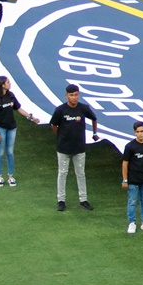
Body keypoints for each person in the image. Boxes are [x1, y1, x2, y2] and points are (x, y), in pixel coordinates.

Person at [50, 83, 98, 212]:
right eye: (71, 95)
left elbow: (94, 118)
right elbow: (54, 125)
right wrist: (60, 136)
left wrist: (95, 133)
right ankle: (61, 200)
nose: (74, 97)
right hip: (63, 148)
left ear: (79, 95)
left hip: (79, 147)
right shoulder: (60, 110)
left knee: (81, 174)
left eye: (76, 95)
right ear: (66, 96)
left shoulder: (83, 108)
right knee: (62, 173)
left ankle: (83, 200)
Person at [0, 76, 38, 187]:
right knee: (0, 152)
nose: (9, 84)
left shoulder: (11, 96)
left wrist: (31, 117)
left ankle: (10, 176)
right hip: (0, 128)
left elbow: (18, 108)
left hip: (11, 128)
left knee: (10, 152)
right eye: (8, 82)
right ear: (2, 85)